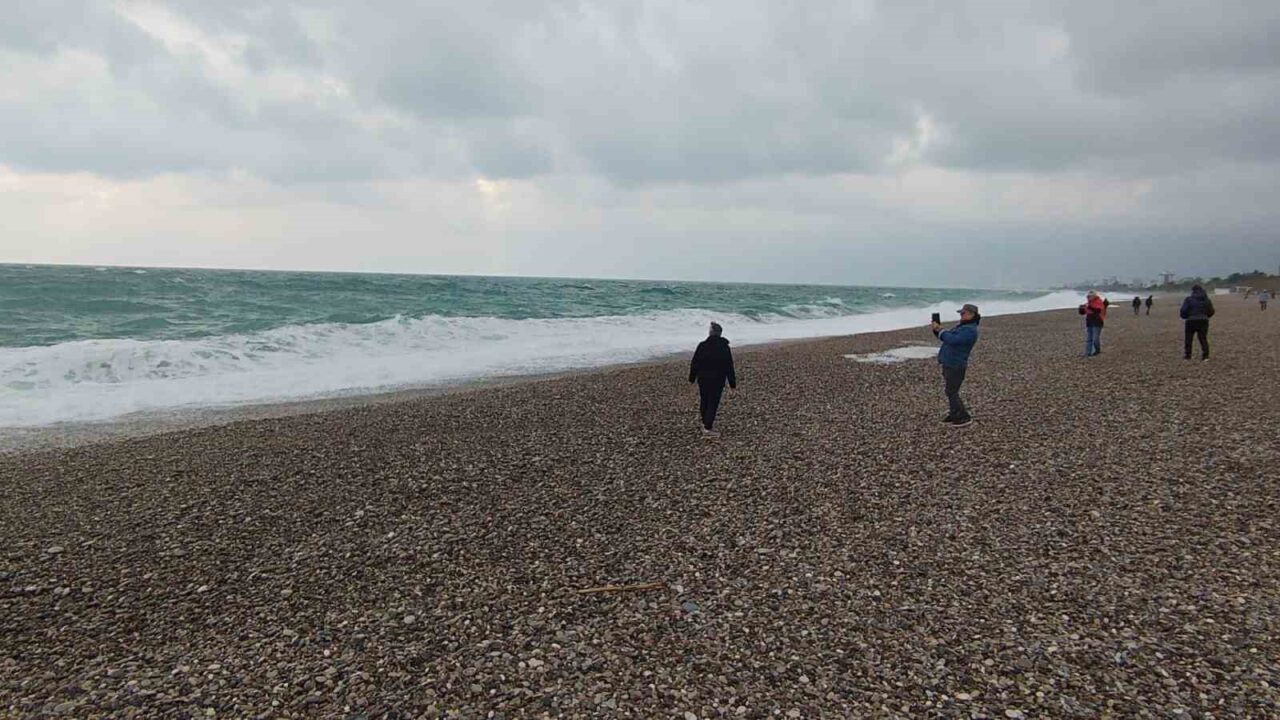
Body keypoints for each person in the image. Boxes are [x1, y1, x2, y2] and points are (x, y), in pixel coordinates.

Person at [932, 303, 980, 427]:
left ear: (972, 314)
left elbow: (953, 340)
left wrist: (941, 330)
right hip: (949, 362)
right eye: (960, 313)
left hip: (956, 365)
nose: (961, 315)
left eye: (963, 313)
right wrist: (937, 330)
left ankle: (963, 417)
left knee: (952, 391)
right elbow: (947, 337)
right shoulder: (963, 327)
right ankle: (954, 413)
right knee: (950, 391)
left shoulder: (970, 330)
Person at [688, 321, 736, 437]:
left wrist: (692, 378)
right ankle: (707, 427)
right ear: (720, 333)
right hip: (718, 379)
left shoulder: (702, 345)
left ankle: (705, 423)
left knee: (704, 400)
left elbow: (695, 363)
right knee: (713, 402)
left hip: (703, 378)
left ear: (711, 332)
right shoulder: (724, 347)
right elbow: (729, 366)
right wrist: (732, 383)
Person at [1179, 284, 1215, 361]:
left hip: (1191, 320)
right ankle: (1205, 356)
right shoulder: (1206, 300)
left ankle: (1188, 356)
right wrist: (1206, 316)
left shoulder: (1188, 299)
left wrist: (1185, 317)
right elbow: (1211, 311)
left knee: (1188, 339)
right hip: (1203, 320)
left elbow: (1183, 310)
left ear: (1193, 291)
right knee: (1203, 338)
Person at [1078, 291, 1106, 357]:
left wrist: (1089, 307)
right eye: (1088, 296)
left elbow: (1098, 310)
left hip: (1097, 322)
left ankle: (1097, 350)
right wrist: (1081, 309)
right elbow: (1082, 313)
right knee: (1089, 339)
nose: (1089, 297)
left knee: (1095, 338)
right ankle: (1088, 353)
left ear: (1094, 296)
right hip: (1089, 322)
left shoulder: (1099, 302)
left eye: (1090, 296)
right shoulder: (1088, 303)